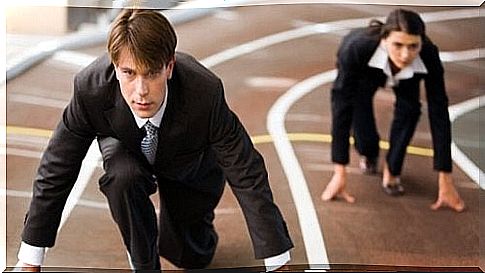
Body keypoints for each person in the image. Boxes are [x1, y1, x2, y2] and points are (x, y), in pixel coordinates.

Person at [17, 9, 293, 271]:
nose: (141, 91)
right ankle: (143, 262)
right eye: (129, 73)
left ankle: (179, 233)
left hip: (189, 165)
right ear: (115, 68)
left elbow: (246, 171)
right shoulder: (90, 89)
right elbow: (57, 167)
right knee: (122, 179)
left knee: (191, 257)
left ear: (169, 67)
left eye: (151, 73)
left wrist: (277, 259)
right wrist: (31, 257)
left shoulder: (204, 92)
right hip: (127, 151)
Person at [321, 9, 465, 212]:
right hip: (365, 73)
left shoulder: (428, 54)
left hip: (408, 79)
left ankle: (393, 170)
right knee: (362, 127)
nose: (406, 55)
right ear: (385, 38)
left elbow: (439, 112)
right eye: (398, 45)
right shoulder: (355, 49)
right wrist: (339, 171)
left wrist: (446, 178)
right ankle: (369, 154)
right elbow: (341, 107)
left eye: (413, 46)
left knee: (410, 110)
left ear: (421, 43)